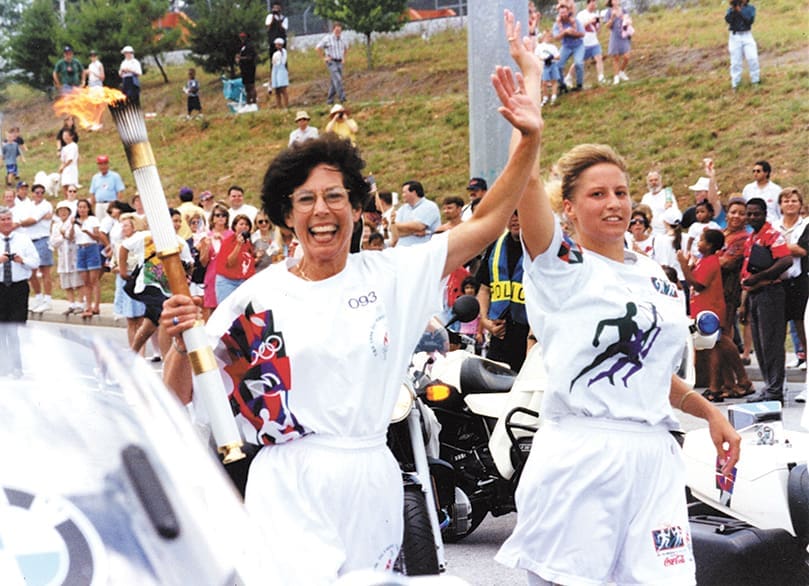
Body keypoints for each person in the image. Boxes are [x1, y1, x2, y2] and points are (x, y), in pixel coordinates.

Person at [160, 17, 543, 580]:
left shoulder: (391, 277)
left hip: (370, 476)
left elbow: (487, 221)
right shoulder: (257, 301)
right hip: (287, 482)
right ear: (286, 215)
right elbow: (179, 398)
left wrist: (529, 136)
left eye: (335, 196)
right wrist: (176, 345)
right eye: (306, 199)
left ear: (357, 207)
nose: (322, 210)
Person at [494, 14, 740, 581]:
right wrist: (530, 96)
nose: (614, 203)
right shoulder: (560, 265)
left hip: (653, 458)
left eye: (622, 192)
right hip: (581, 455)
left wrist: (709, 413)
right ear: (569, 207)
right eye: (597, 194)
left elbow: (649, 370)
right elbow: (524, 182)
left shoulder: (653, 275)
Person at [741, 198, 793, 403]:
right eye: (749, 214)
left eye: (756, 213)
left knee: (771, 343)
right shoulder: (751, 238)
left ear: (764, 214)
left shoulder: (772, 235)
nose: (752, 217)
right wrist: (744, 302)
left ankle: (775, 389)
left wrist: (761, 277)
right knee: (761, 344)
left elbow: (786, 260)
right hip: (754, 294)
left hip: (770, 292)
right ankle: (768, 386)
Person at [476, 210, 529, 371]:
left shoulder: (541, 246)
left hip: (529, 337)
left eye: (519, 214)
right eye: (511, 214)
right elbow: (484, 290)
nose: (515, 219)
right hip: (500, 335)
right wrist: (485, 321)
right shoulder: (496, 246)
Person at [0, 206, 39, 378]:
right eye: (2, 220)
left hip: (18, 288)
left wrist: (22, 260)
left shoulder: (23, 239)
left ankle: (17, 367)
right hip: (0, 288)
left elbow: (35, 262)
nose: (6, 222)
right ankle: (3, 366)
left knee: (15, 329)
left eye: (8, 219)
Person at [776, 187, 809, 375]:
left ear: (800, 204)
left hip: (800, 281)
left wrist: (779, 248)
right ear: (780, 205)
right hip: (779, 281)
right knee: (778, 329)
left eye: (794, 201)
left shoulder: (806, 225)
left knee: (802, 325)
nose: (790, 204)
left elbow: (803, 250)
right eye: (786, 201)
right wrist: (790, 248)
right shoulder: (774, 225)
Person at [17, 183, 54, 313]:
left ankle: (47, 300)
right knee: (31, 271)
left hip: (42, 239)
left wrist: (27, 221)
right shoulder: (29, 205)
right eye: (37, 192)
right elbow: (25, 220)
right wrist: (29, 221)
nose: (39, 195)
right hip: (30, 241)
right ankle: (38, 298)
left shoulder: (46, 205)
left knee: (45, 271)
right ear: (32, 193)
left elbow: (32, 220)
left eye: (42, 192)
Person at [114, 213, 147, 353]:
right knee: (130, 320)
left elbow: (139, 261)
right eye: (122, 226)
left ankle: (141, 353)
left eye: (126, 226)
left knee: (140, 320)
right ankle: (133, 352)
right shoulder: (119, 244)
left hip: (136, 280)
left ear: (134, 227)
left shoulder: (139, 243)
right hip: (123, 281)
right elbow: (114, 262)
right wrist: (117, 267)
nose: (123, 228)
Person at [73, 199, 107, 318]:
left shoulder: (93, 220)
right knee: (85, 280)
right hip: (80, 249)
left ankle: (96, 306)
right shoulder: (75, 222)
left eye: (84, 207)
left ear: (88, 209)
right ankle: (87, 305)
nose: (82, 209)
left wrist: (88, 232)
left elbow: (97, 237)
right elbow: (70, 237)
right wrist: (71, 225)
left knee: (94, 280)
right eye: (80, 207)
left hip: (91, 248)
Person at [198, 201, 231, 320]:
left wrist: (223, 240)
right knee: (212, 310)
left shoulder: (231, 235)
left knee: (228, 309)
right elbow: (203, 262)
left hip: (228, 276)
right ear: (213, 219)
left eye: (224, 215)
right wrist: (206, 247)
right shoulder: (207, 236)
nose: (221, 218)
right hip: (212, 275)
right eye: (217, 215)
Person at [50, 201, 84, 314]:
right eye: (61, 211)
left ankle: (81, 303)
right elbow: (53, 241)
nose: (63, 213)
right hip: (62, 257)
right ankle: (71, 304)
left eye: (65, 211)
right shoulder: (56, 225)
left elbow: (72, 237)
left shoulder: (73, 223)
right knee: (66, 282)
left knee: (77, 281)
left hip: (73, 255)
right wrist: (62, 237)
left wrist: (64, 235)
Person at [214, 214, 256, 303]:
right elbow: (230, 263)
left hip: (242, 281)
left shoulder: (248, 243)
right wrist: (238, 245)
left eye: (247, 224)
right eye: (241, 224)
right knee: (226, 308)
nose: (244, 226)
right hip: (227, 281)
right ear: (235, 226)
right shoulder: (228, 241)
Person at [393, 180, 440, 247]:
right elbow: (393, 229)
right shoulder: (403, 208)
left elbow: (418, 226)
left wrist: (397, 226)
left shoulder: (429, 206)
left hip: (423, 248)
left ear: (414, 192)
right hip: (402, 248)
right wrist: (412, 232)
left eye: (404, 192)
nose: (402, 195)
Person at [725, 0, 759, 89]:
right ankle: (735, 83)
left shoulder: (750, 8)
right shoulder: (731, 9)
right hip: (735, 36)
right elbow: (728, 20)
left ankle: (755, 80)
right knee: (735, 62)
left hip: (747, 34)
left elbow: (749, 21)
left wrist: (739, 11)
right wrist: (734, 10)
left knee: (752, 58)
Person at [553, 2, 585, 92]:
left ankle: (579, 85)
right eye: (561, 13)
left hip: (578, 45)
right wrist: (565, 32)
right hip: (566, 46)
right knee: (558, 65)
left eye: (564, 12)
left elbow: (582, 34)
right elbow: (556, 37)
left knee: (578, 63)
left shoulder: (575, 21)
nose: (563, 15)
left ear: (568, 12)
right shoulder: (557, 24)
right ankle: (562, 85)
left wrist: (573, 33)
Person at [316, 22, 349, 105]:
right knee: (338, 79)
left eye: (339, 31)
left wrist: (344, 58)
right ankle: (342, 98)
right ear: (333, 30)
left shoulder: (343, 39)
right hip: (331, 61)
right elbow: (318, 47)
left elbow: (346, 48)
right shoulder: (328, 38)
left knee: (334, 82)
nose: (338, 32)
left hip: (339, 61)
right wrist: (324, 57)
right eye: (336, 30)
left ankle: (330, 100)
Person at [640, 170, 679, 235]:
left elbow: (675, 214)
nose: (653, 182)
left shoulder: (667, 195)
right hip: (649, 232)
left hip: (665, 232)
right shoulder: (645, 197)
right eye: (651, 180)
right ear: (647, 183)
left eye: (656, 180)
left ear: (660, 181)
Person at [89, 155, 126, 219]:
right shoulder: (95, 177)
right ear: (98, 165)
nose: (103, 166)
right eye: (100, 164)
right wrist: (92, 207)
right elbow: (92, 193)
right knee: (99, 222)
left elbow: (120, 192)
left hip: (110, 204)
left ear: (108, 164)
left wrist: (117, 206)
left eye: (105, 164)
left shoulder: (115, 176)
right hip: (99, 204)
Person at [604, 0, 632, 84]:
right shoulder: (609, 12)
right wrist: (612, 18)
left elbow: (630, 21)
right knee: (615, 57)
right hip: (615, 36)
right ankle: (616, 77)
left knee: (627, 56)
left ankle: (621, 72)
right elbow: (607, 26)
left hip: (624, 35)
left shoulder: (624, 10)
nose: (616, 1)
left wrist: (626, 19)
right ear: (611, 2)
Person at [534, 30, 562, 106]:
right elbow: (536, 56)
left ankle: (554, 96)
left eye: (551, 36)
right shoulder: (539, 47)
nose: (550, 38)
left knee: (554, 80)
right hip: (544, 65)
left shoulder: (553, 47)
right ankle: (545, 97)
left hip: (553, 64)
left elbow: (558, 56)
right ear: (543, 37)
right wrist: (544, 59)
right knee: (544, 82)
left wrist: (552, 58)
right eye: (548, 36)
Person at [236, 32, 258, 106]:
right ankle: (248, 103)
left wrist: (241, 58)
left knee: (251, 85)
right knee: (247, 87)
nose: (241, 39)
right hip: (244, 69)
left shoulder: (250, 46)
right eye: (240, 37)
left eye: (243, 37)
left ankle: (254, 102)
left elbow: (250, 57)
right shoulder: (242, 46)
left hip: (250, 68)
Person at [58, 129, 79, 198]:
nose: (64, 137)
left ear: (71, 136)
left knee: (71, 188)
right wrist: (61, 167)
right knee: (64, 187)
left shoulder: (73, 146)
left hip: (71, 169)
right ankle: (67, 201)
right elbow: (63, 160)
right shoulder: (64, 148)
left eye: (66, 135)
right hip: (65, 170)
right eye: (63, 136)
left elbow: (70, 159)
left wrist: (63, 166)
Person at [271, 38, 289, 109]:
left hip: (281, 70)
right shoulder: (275, 53)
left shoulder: (283, 52)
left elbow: (282, 61)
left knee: (283, 89)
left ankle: (286, 106)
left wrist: (281, 49)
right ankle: (279, 106)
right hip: (275, 70)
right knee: (277, 90)